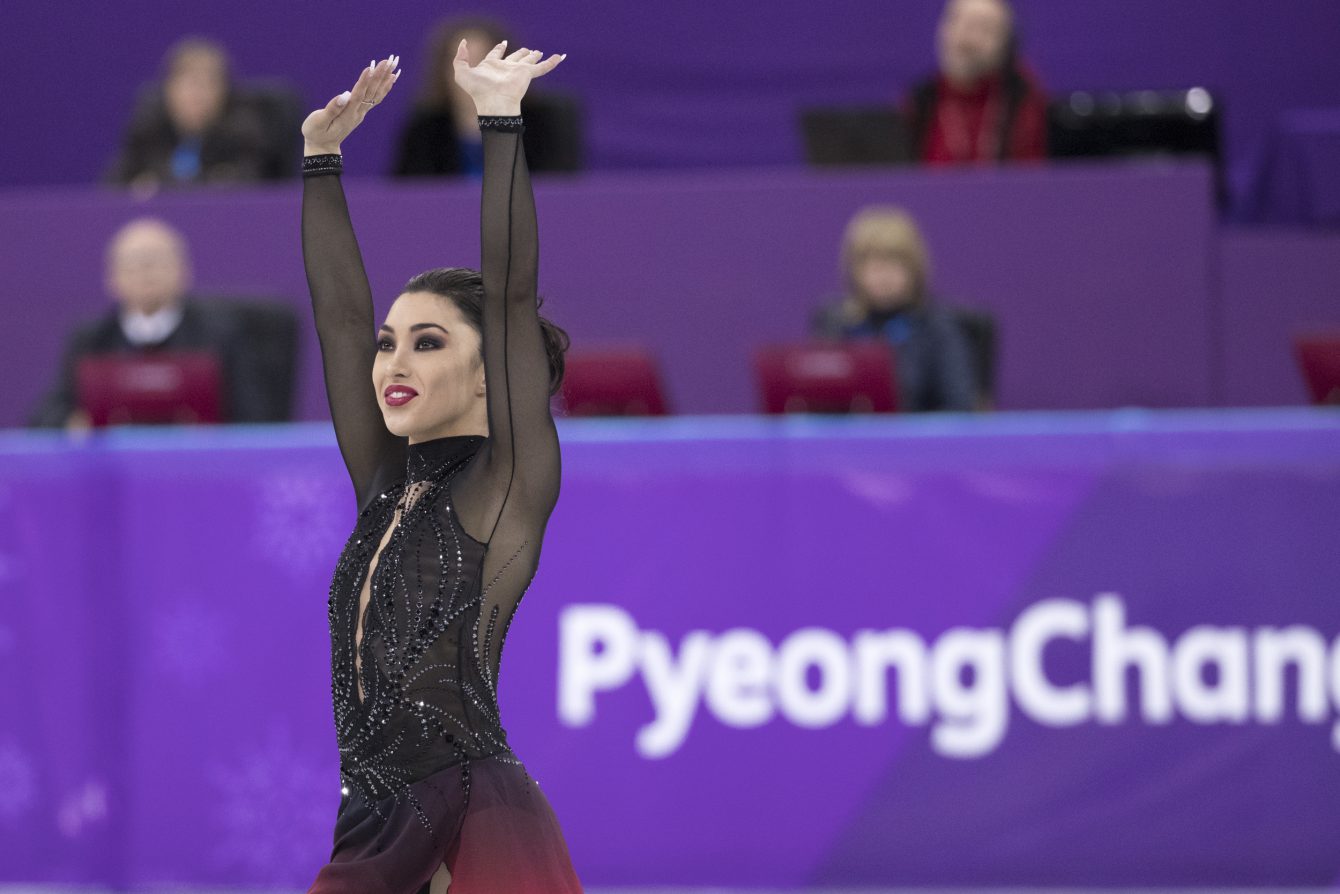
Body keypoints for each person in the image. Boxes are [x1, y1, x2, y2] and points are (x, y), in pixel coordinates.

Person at [300, 46, 581, 893]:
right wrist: (321, 155)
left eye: (429, 343)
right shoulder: (385, 483)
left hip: (473, 815)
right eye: (394, 342)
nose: (394, 358)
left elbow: (509, 293)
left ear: (493, 368)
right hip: (375, 816)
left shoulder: (505, 488)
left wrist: (499, 117)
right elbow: (344, 321)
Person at [29, 217, 275, 428]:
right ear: (111, 278)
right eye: (133, 262)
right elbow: (46, 417)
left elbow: (255, 418)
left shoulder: (220, 334)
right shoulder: (92, 339)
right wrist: (74, 424)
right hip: (114, 470)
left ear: (184, 271)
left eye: (157, 260)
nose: (146, 270)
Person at [811, 206, 976, 412]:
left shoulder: (939, 327)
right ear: (854, 269)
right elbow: (817, 403)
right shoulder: (835, 323)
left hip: (919, 441)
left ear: (914, 268)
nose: (883, 274)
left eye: (894, 263)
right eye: (872, 263)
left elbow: (960, 407)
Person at [392, 16, 582, 177]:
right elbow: (408, 197)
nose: (475, 75)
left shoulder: (543, 122)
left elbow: (558, 192)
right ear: (443, 74)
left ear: (508, 67)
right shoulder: (425, 128)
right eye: (463, 65)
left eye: (483, 62)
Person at [108, 38, 276, 189]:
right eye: (188, 85)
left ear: (224, 92)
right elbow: (114, 184)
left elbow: (255, 181)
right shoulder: (148, 130)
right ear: (168, 89)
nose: (196, 95)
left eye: (207, 85)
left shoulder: (243, 133)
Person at [906, 0, 1048, 165]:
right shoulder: (920, 101)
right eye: (957, 21)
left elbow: (1031, 177)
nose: (967, 39)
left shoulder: (1020, 100)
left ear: (1006, 45)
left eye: (984, 28)